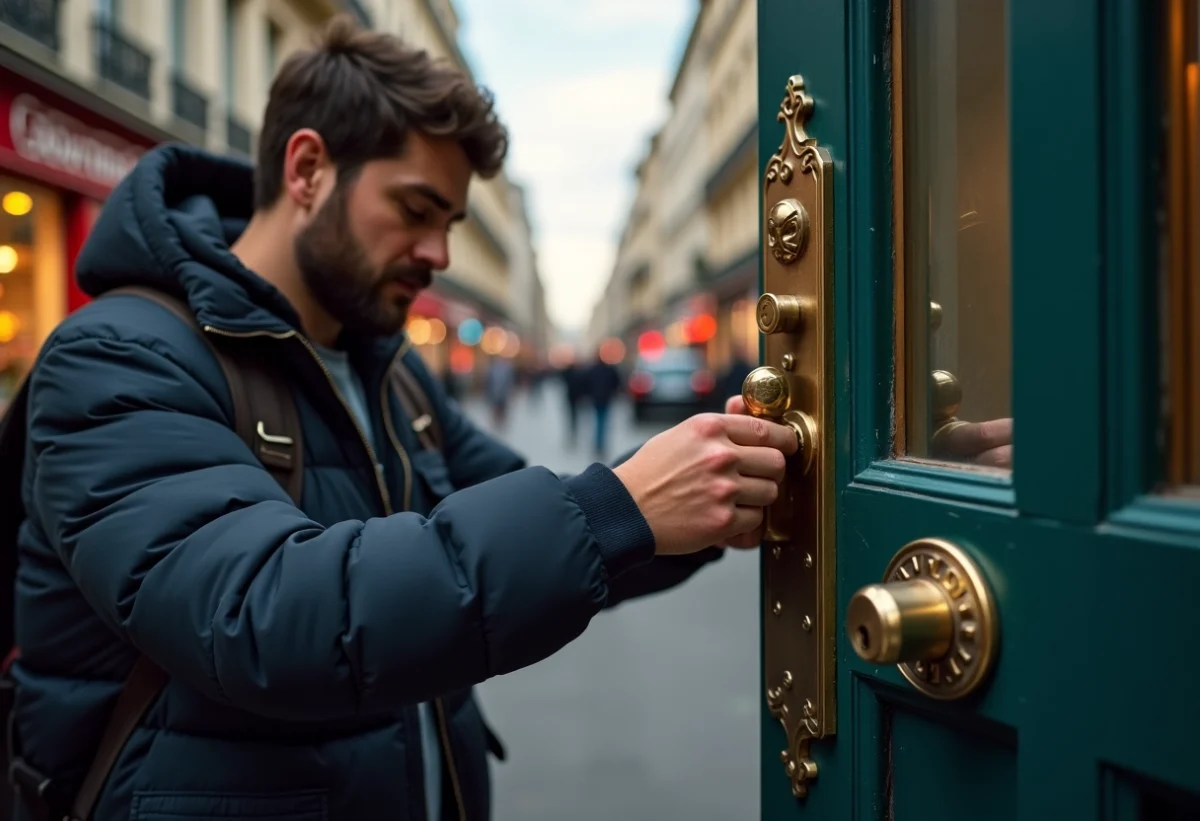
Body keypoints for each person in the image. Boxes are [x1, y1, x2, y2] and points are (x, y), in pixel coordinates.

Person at [7, 17, 799, 821]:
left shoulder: (389, 368)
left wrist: (689, 503)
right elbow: (259, 616)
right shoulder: (117, 355)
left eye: (451, 223)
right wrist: (619, 509)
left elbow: (530, 511)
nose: (440, 254)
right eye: (416, 209)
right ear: (309, 168)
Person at [585, 351, 623, 459]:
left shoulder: (593, 370)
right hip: (606, 399)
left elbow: (586, 383)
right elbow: (617, 382)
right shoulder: (609, 369)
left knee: (598, 422)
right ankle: (601, 445)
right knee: (603, 422)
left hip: (596, 399)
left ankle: (598, 444)